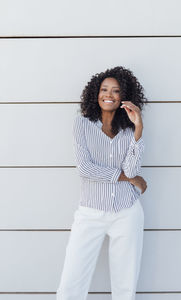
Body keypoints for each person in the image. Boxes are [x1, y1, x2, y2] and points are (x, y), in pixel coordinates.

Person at [56, 66, 148, 300]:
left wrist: (138, 128)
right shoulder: (82, 125)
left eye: (116, 91)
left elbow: (132, 168)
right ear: (95, 94)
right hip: (90, 213)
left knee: (125, 286)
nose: (109, 94)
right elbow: (85, 170)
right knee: (71, 284)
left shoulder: (128, 131)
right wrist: (129, 179)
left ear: (123, 97)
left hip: (127, 212)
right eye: (104, 89)